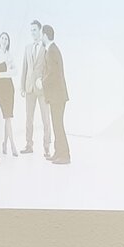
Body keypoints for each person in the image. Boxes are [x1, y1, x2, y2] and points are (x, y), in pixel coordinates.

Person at [41, 21, 69, 164]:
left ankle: (64, 156)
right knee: (57, 124)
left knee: (58, 125)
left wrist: (42, 82)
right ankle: (58, 153)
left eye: (41, 34)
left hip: (57, 96)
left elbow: (52, 73)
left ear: (45, 35)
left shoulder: (52, 51)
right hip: (57, 96)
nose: (41, 37)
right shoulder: (52, 49)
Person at [0, 30, 18, 158]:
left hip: (9, 87)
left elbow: (15, 72)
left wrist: (6, 71)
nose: (4, 41)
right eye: (2, 38)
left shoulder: (9, 54)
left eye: (6, 39)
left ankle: (5, 144)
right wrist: (7, 70)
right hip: (1, 88)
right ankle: (12, 144)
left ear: (8, 42)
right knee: (7, 117)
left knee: (8, 117)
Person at [24, 17, 46, 156]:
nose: (32, 32)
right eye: (31, 30)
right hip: (29, 88)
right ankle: (28, 145)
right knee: (28, 118)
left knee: (46, 119)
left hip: (42, 89)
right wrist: (22, 86)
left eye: (34, 30)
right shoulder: (27, 48)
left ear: (40, 31)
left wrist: (43, 81)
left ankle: (47, 148)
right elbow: (24, 68)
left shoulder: (45, 47)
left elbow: (48, 68)